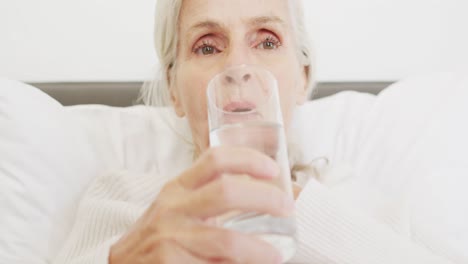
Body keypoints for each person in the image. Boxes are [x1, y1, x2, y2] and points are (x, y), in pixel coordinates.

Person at [53, 0, 468, 263]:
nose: (238, 67)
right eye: (207, 46)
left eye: (267, 41)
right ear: (175, 91)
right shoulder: (122, 202)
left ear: (302, 78)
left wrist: (292, 204)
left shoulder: (368, 208)